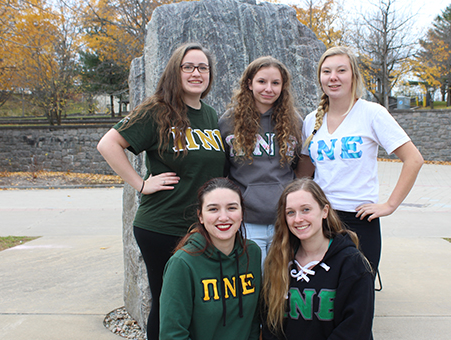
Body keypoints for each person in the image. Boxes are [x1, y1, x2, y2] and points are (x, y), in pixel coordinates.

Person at [96, 43, 225, 340]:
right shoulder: (158, 110)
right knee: (168, 302)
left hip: (201, 229)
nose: (196, 73)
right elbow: (108, 144)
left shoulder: (209, 115)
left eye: (202, 67)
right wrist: (141, 183)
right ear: (174, 71)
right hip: (163, 226)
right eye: (188, 67)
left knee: (198, 302)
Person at [297, 46, 424, 278]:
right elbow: (305, 172)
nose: (333, 77)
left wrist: (389, 205)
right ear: (320, 79)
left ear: (353, 75)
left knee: (358, 294)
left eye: (341, 70)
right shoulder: (311, 120)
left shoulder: (372, 113)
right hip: (321, 219)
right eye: (326, 72)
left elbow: (414, 159)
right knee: (321, 292)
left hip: (359, 219)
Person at [262, 178, 375, 340]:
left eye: (306, 209)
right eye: (290, 212)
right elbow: (270, 325)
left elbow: (356, 328)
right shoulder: (279, 260)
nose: (298, 219)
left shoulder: (352, 263)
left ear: (325, 211)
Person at [219, 56, 302, 265]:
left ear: (283, 87)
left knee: (281, 282)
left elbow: (299, 167)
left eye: (276, 83)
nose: (269, 89)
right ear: (249, 83)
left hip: (284, 219)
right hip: (247, 219)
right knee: (252, 282)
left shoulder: (294, 122)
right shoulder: (229, 121)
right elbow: (223, 170)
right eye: (262, 81)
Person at [159, 177, 262, 340]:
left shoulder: (252, 253)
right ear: (200, 216)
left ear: (242, 213)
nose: (223, 217)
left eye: (232, 208)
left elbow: (253, 324)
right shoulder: (183, 263)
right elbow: (172, 334)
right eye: (213, 209)